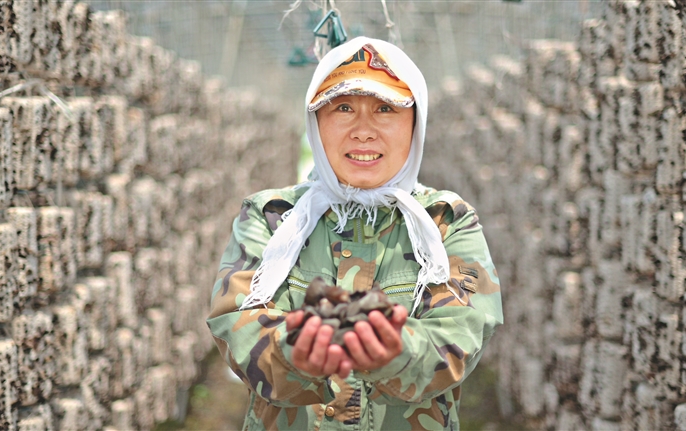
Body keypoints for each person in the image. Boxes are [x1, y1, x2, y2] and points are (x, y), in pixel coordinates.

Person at [206, 36, 503, 431]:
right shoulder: (272, 217)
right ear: (316, 122)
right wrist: (295, 356)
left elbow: (461, 336)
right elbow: (235, 326)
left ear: (415, 123)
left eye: (386, 109)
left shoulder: (446, 221)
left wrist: (397, 351)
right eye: (343, 108)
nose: (364, 132)